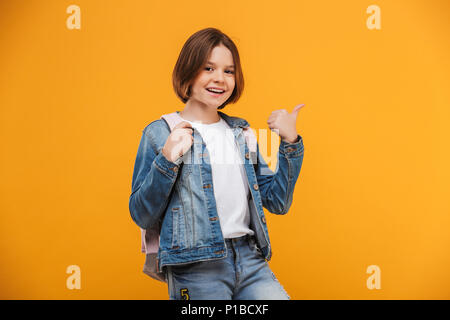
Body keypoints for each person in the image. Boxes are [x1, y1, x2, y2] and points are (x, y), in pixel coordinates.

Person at [129, 27, 305, 300]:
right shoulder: (160, 132)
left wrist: (290, 142)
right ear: (188, 71)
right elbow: (141, 214)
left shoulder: (243, 133)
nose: (219, 79)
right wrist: (166, 160)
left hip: (249, 258)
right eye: (208, 68)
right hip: (195, 265)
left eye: (229, 71)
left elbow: (278, 202)